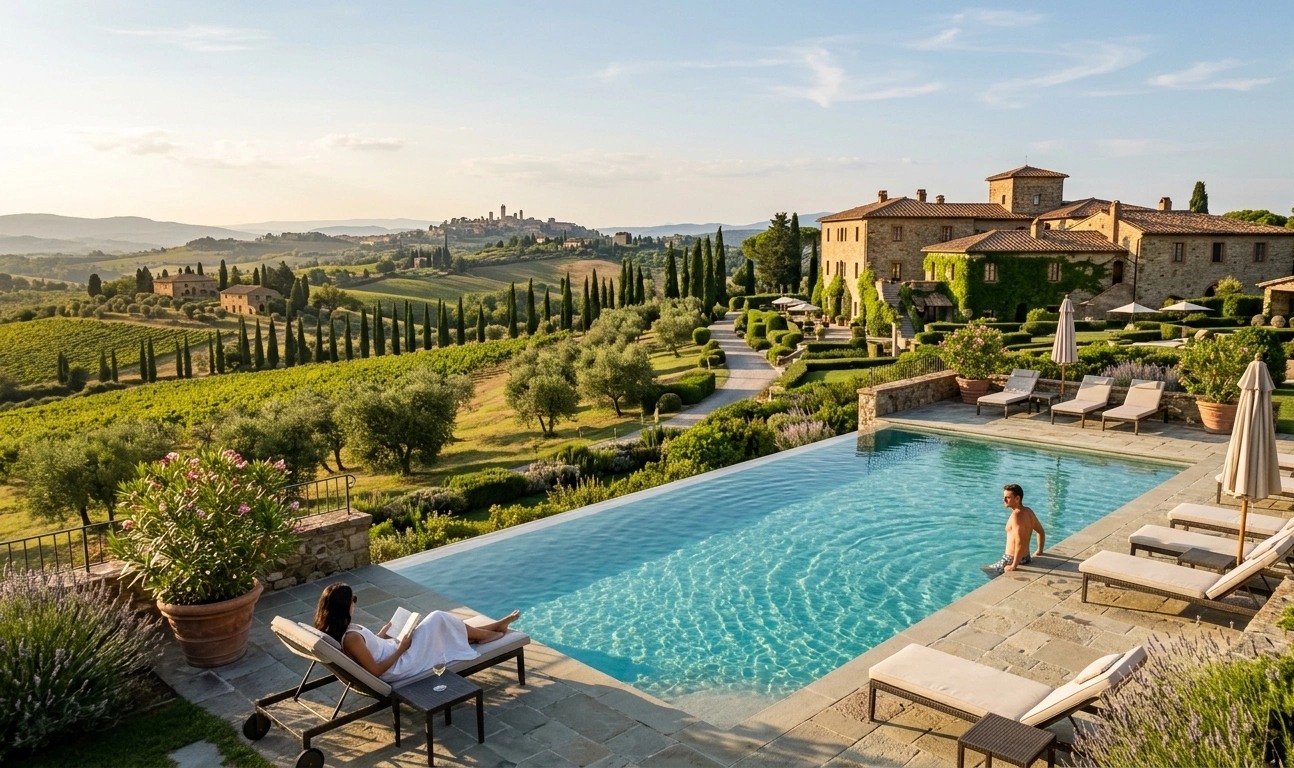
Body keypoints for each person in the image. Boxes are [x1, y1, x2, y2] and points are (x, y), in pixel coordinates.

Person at [314, 583, 521, 682]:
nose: (354, 603)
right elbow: (376, 671)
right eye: (353, 599)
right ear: (343, 606)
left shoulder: (344, 630)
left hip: (394, 650)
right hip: (400, 663)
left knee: (440, 624)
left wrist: (382, 635)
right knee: (438, 618)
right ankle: (488, 633)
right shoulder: (350, 638)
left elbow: (368, 652)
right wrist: (402, 648)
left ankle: (492, 628)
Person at [988, 483, 1045, 575]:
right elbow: (1041, 532)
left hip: (1011, 559)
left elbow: (1020, 542)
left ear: (1017, 498)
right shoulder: (1029, 511)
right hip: (1026, 558)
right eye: (1004, 497)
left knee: (986, 572)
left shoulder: (1016, 516)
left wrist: (1014, 565)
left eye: (1007, 497)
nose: (1004, 500)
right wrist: (1039, 551)